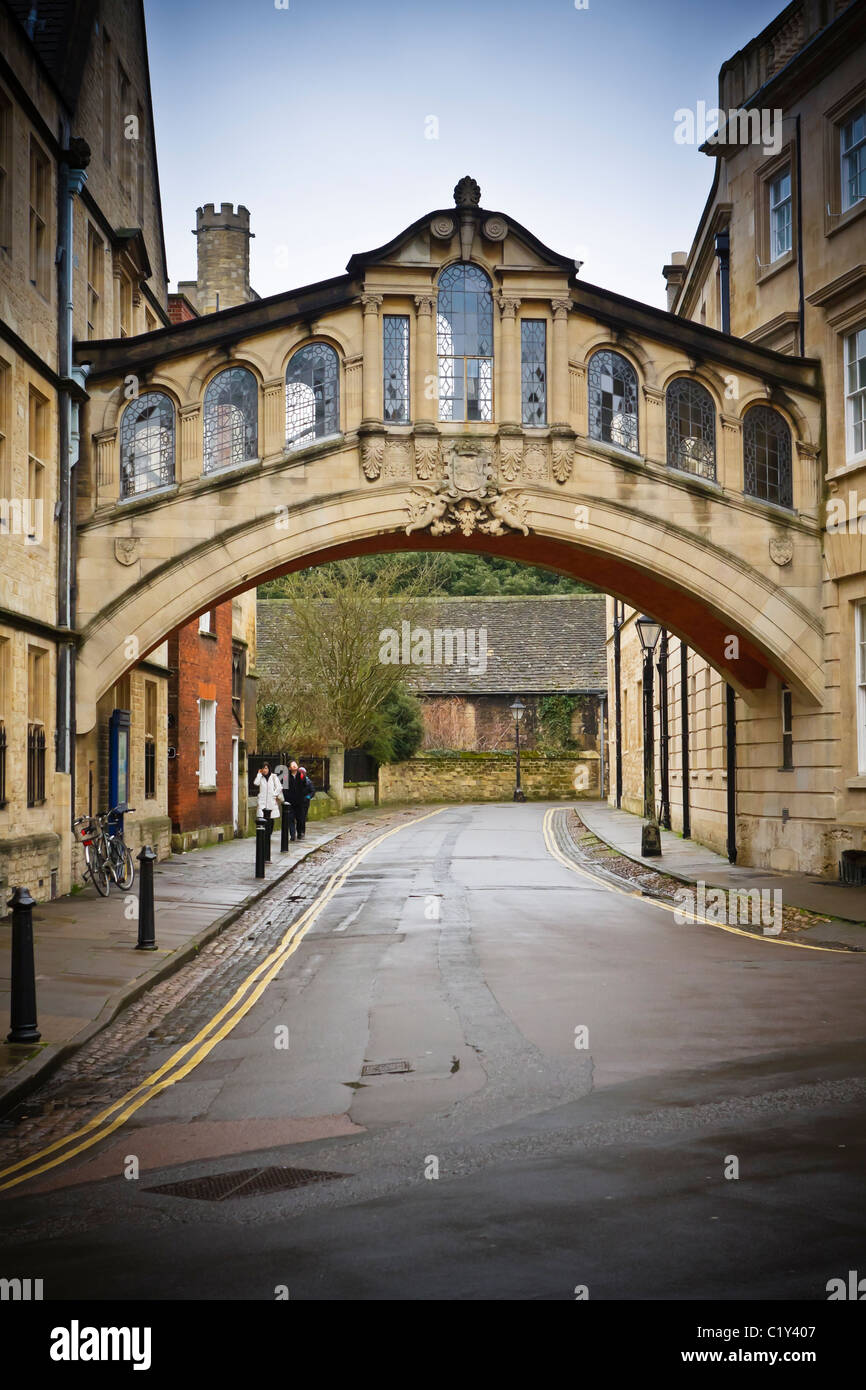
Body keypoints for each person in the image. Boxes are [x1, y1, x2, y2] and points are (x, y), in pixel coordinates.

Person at [253, 762, 283, 840]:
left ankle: (269, 833)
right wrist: (259, 774)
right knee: (261, 817)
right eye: (263, 768)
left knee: (270, 818)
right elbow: (256, 783)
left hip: (271, 801)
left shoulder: (273, 777)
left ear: (269, 769)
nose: (264, 770)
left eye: (266, 768)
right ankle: (263, 834)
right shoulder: (260, 777)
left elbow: (279, 787)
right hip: (262, 801)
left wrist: (274, 794)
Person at [297, 766, 315, 840]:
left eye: (302, 772)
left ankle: (302, 832)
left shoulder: (308, 782)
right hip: (297, 801)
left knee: (302, 818)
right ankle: (298, 831)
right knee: (298, 818)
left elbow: (312, 791)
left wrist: (308, 797)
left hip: (305, 803)